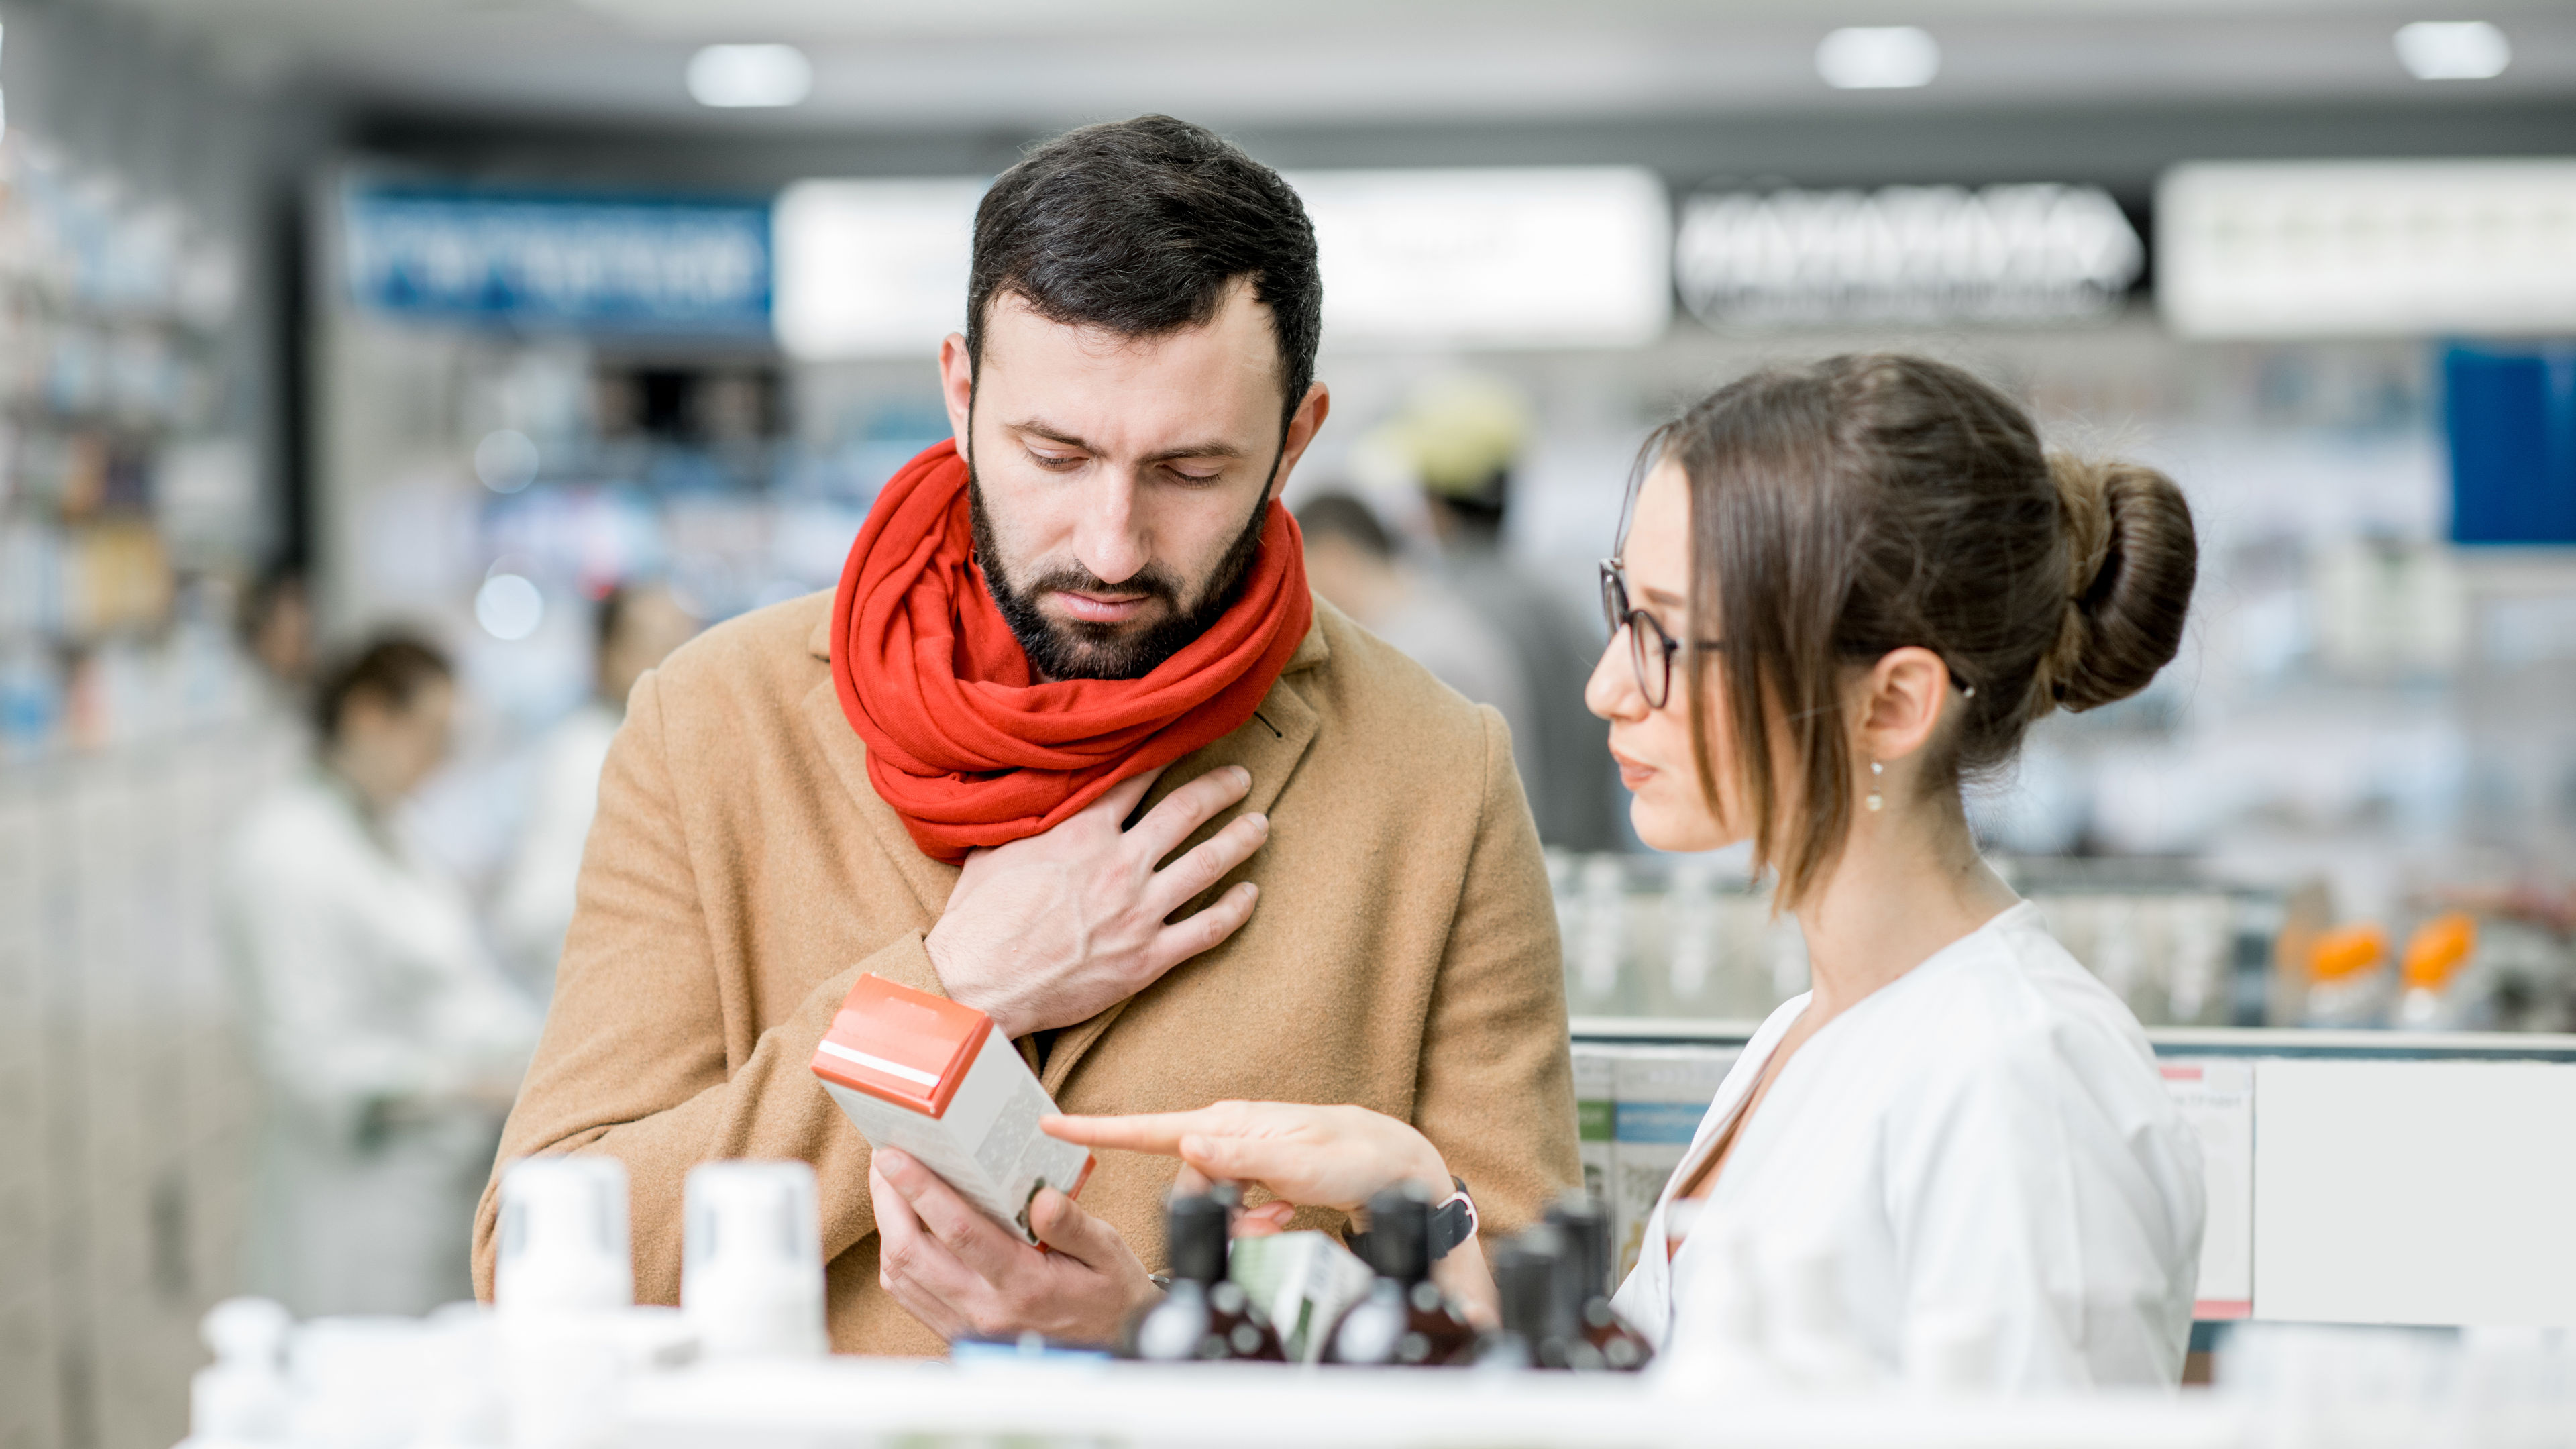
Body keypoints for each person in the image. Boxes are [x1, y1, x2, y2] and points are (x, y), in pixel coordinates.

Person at [470, 115, 1578, 1354]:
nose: (1110, 543)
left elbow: (1527, 1325)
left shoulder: (1437, 773)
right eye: (1055, 454)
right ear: (961, 392)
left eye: (1191, 471)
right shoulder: (715, 724)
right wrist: (951, 990)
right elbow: (536, 1255)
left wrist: (1151, 1338)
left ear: (1296, 441)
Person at [1051, 354, 2209, 1389]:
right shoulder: (1811, 1034)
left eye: (1665, 635)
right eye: (1621, 610)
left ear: (1894, 703)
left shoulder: (2018, 1081)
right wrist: (1419, 1204)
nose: (1611, 686)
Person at [221, 635, 541, 1316]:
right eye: (432, 736)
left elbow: (459, 986)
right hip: (363, 1208)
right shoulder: (288, 852)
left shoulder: (389, 832)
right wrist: (465, 1084)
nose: (439, 763)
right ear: (369, 716)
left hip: (441, 1187)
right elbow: (309, 1062)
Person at [1397, 378, 1621, 851]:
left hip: (1510, 883)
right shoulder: (1567, 609)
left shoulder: (1436, 623)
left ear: (1432, 505)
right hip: (1596, 873)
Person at [492, 582, 700, 996]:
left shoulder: (667, 749)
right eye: (651, 644)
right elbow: (532, 916)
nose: (669, 664)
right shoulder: (581, 758)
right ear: (604, 656)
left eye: (684, 647)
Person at [1295, 491, 1535, 758]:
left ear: (1334, 559)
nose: (1304, 603)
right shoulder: (1435, 623)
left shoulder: (1420, 655)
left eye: (1304, 577)